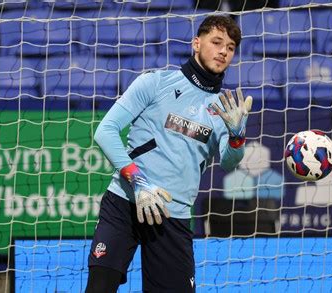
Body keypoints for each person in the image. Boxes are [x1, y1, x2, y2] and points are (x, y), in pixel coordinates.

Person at [85, 15, 252, 293]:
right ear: (196, 44)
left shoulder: (224, 109)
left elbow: (230, 163)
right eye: (217, 42)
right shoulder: (155, 82)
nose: (224, 51)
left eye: (231, 47)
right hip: (125, 202)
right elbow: (106, 131)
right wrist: (138, 183)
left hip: (172, 216)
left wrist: (236, 137)